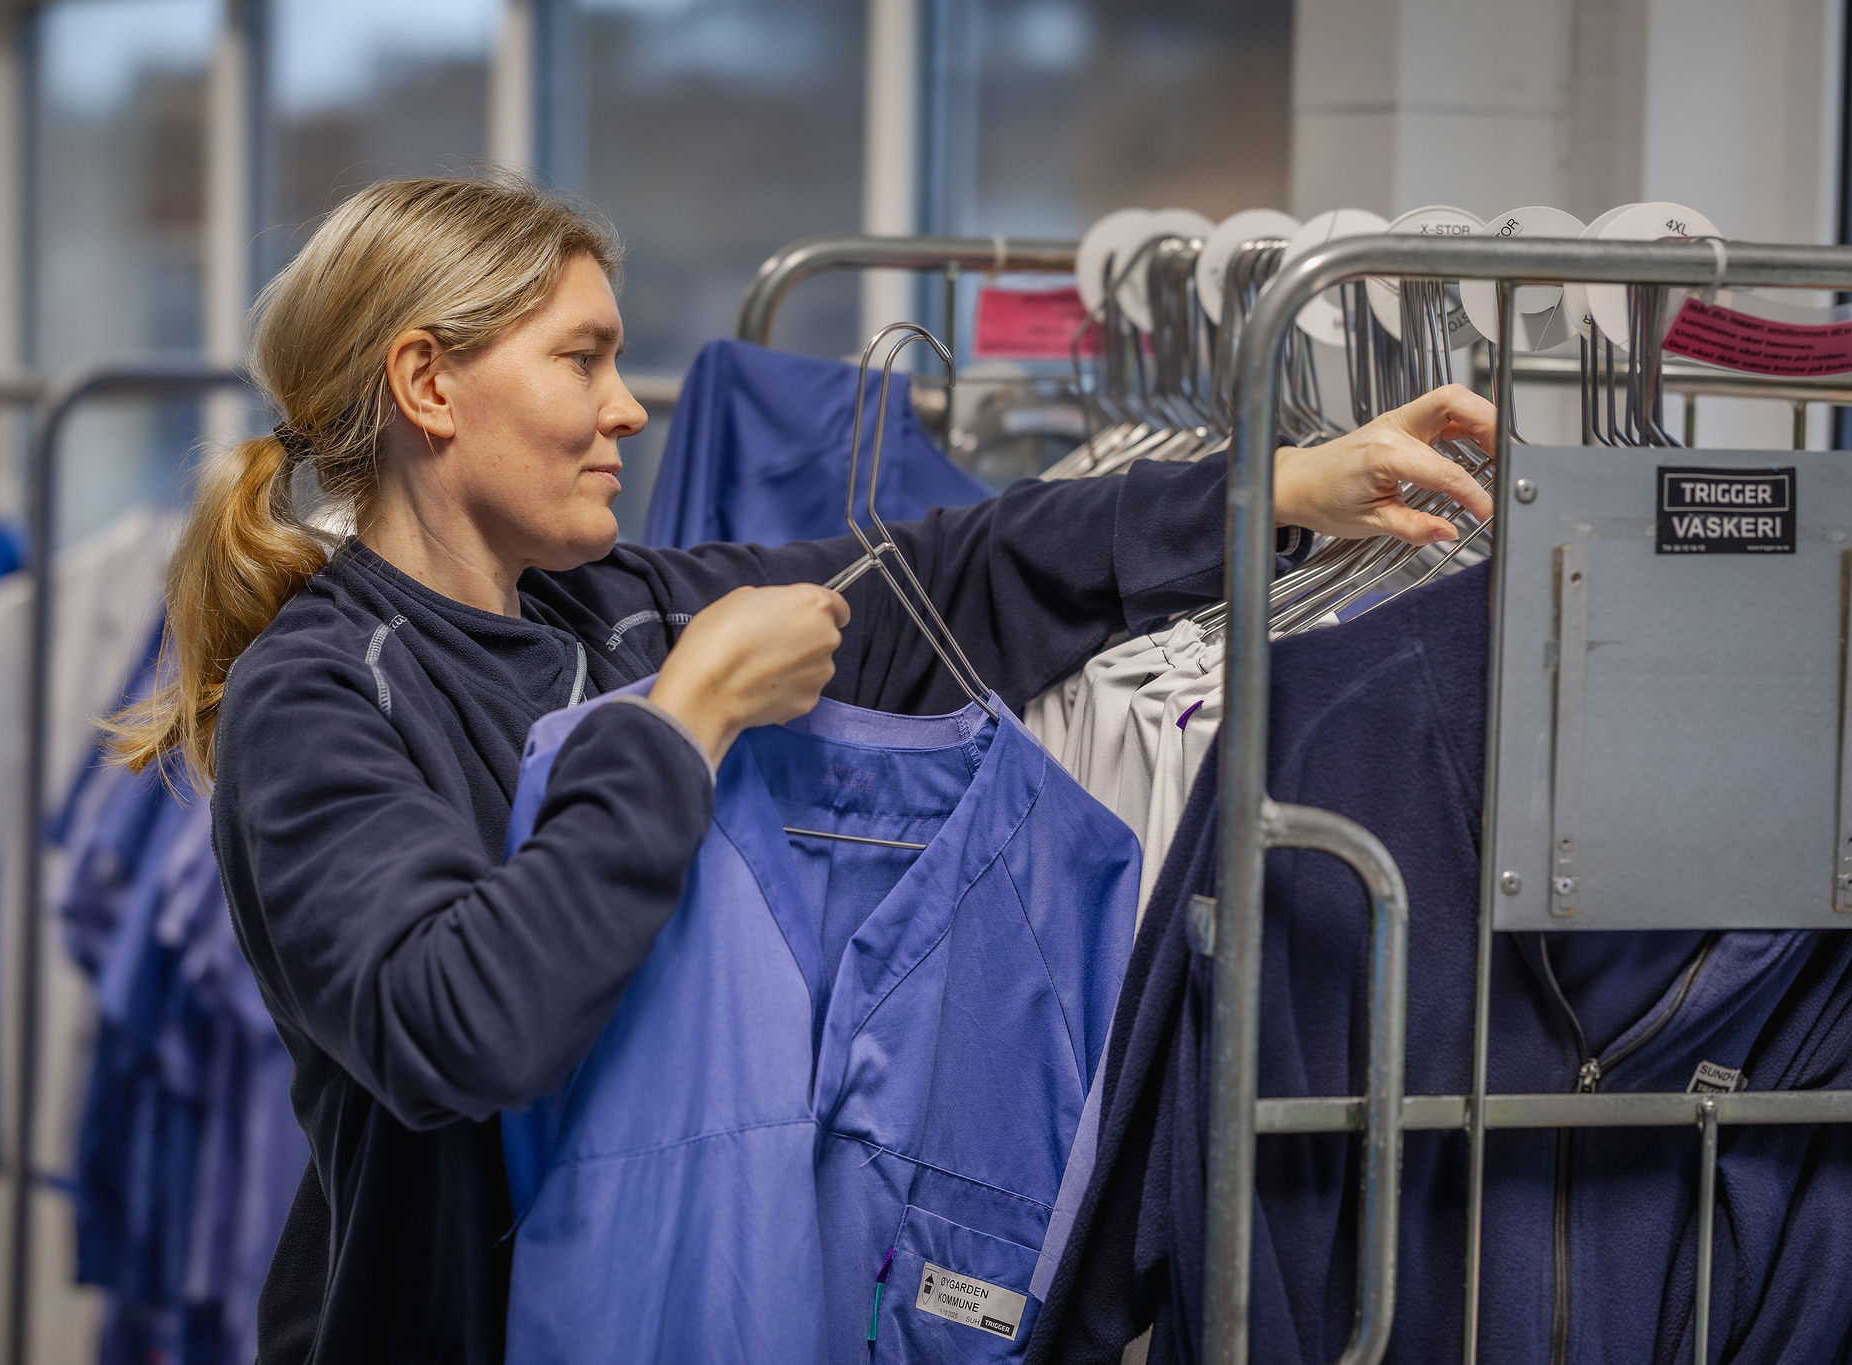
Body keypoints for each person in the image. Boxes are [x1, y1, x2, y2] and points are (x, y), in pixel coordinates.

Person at [110, 171, 1495, 1364]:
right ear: (429, 384)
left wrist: (1270, 493)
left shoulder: (622, 611)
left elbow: (951, 574)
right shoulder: (321, 696)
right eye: (582, 360)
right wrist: (682, 724)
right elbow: (459, 1022)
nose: (627, 409)